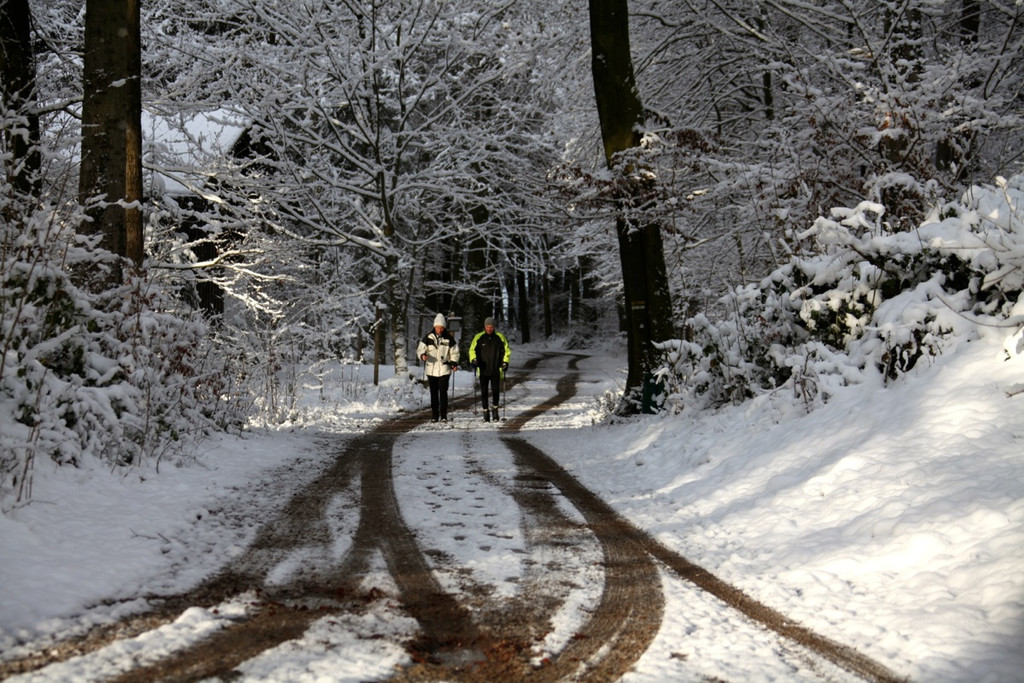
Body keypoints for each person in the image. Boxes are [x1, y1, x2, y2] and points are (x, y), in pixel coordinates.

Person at [416, 313, 460, 423]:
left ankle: (444, 415)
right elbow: (420, 349)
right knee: (434, 393)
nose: (439, 329)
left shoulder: (449, 338)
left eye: (441, 327)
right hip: (431, 369)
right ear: (434, 327)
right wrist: (422, 355)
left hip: (444, 369)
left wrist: (453, 363)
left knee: (443, 393)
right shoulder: (427, 338)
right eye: (437, 327)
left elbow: (455, 352)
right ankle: (435, 415)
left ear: (444, 327)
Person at [468, 317, 510, 423]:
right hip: (483, 370)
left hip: (496, 369)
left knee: (495, 391)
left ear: (494, 327)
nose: (489, 329)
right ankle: (485, 413)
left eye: (491, 327)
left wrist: (505, 362)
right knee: (484, 392)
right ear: (484, 327)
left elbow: (506, 351)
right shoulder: (478, 337)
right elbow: (472, 350)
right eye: (487, 327)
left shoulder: (500, 337)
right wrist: (473, 360)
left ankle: (495, 411)